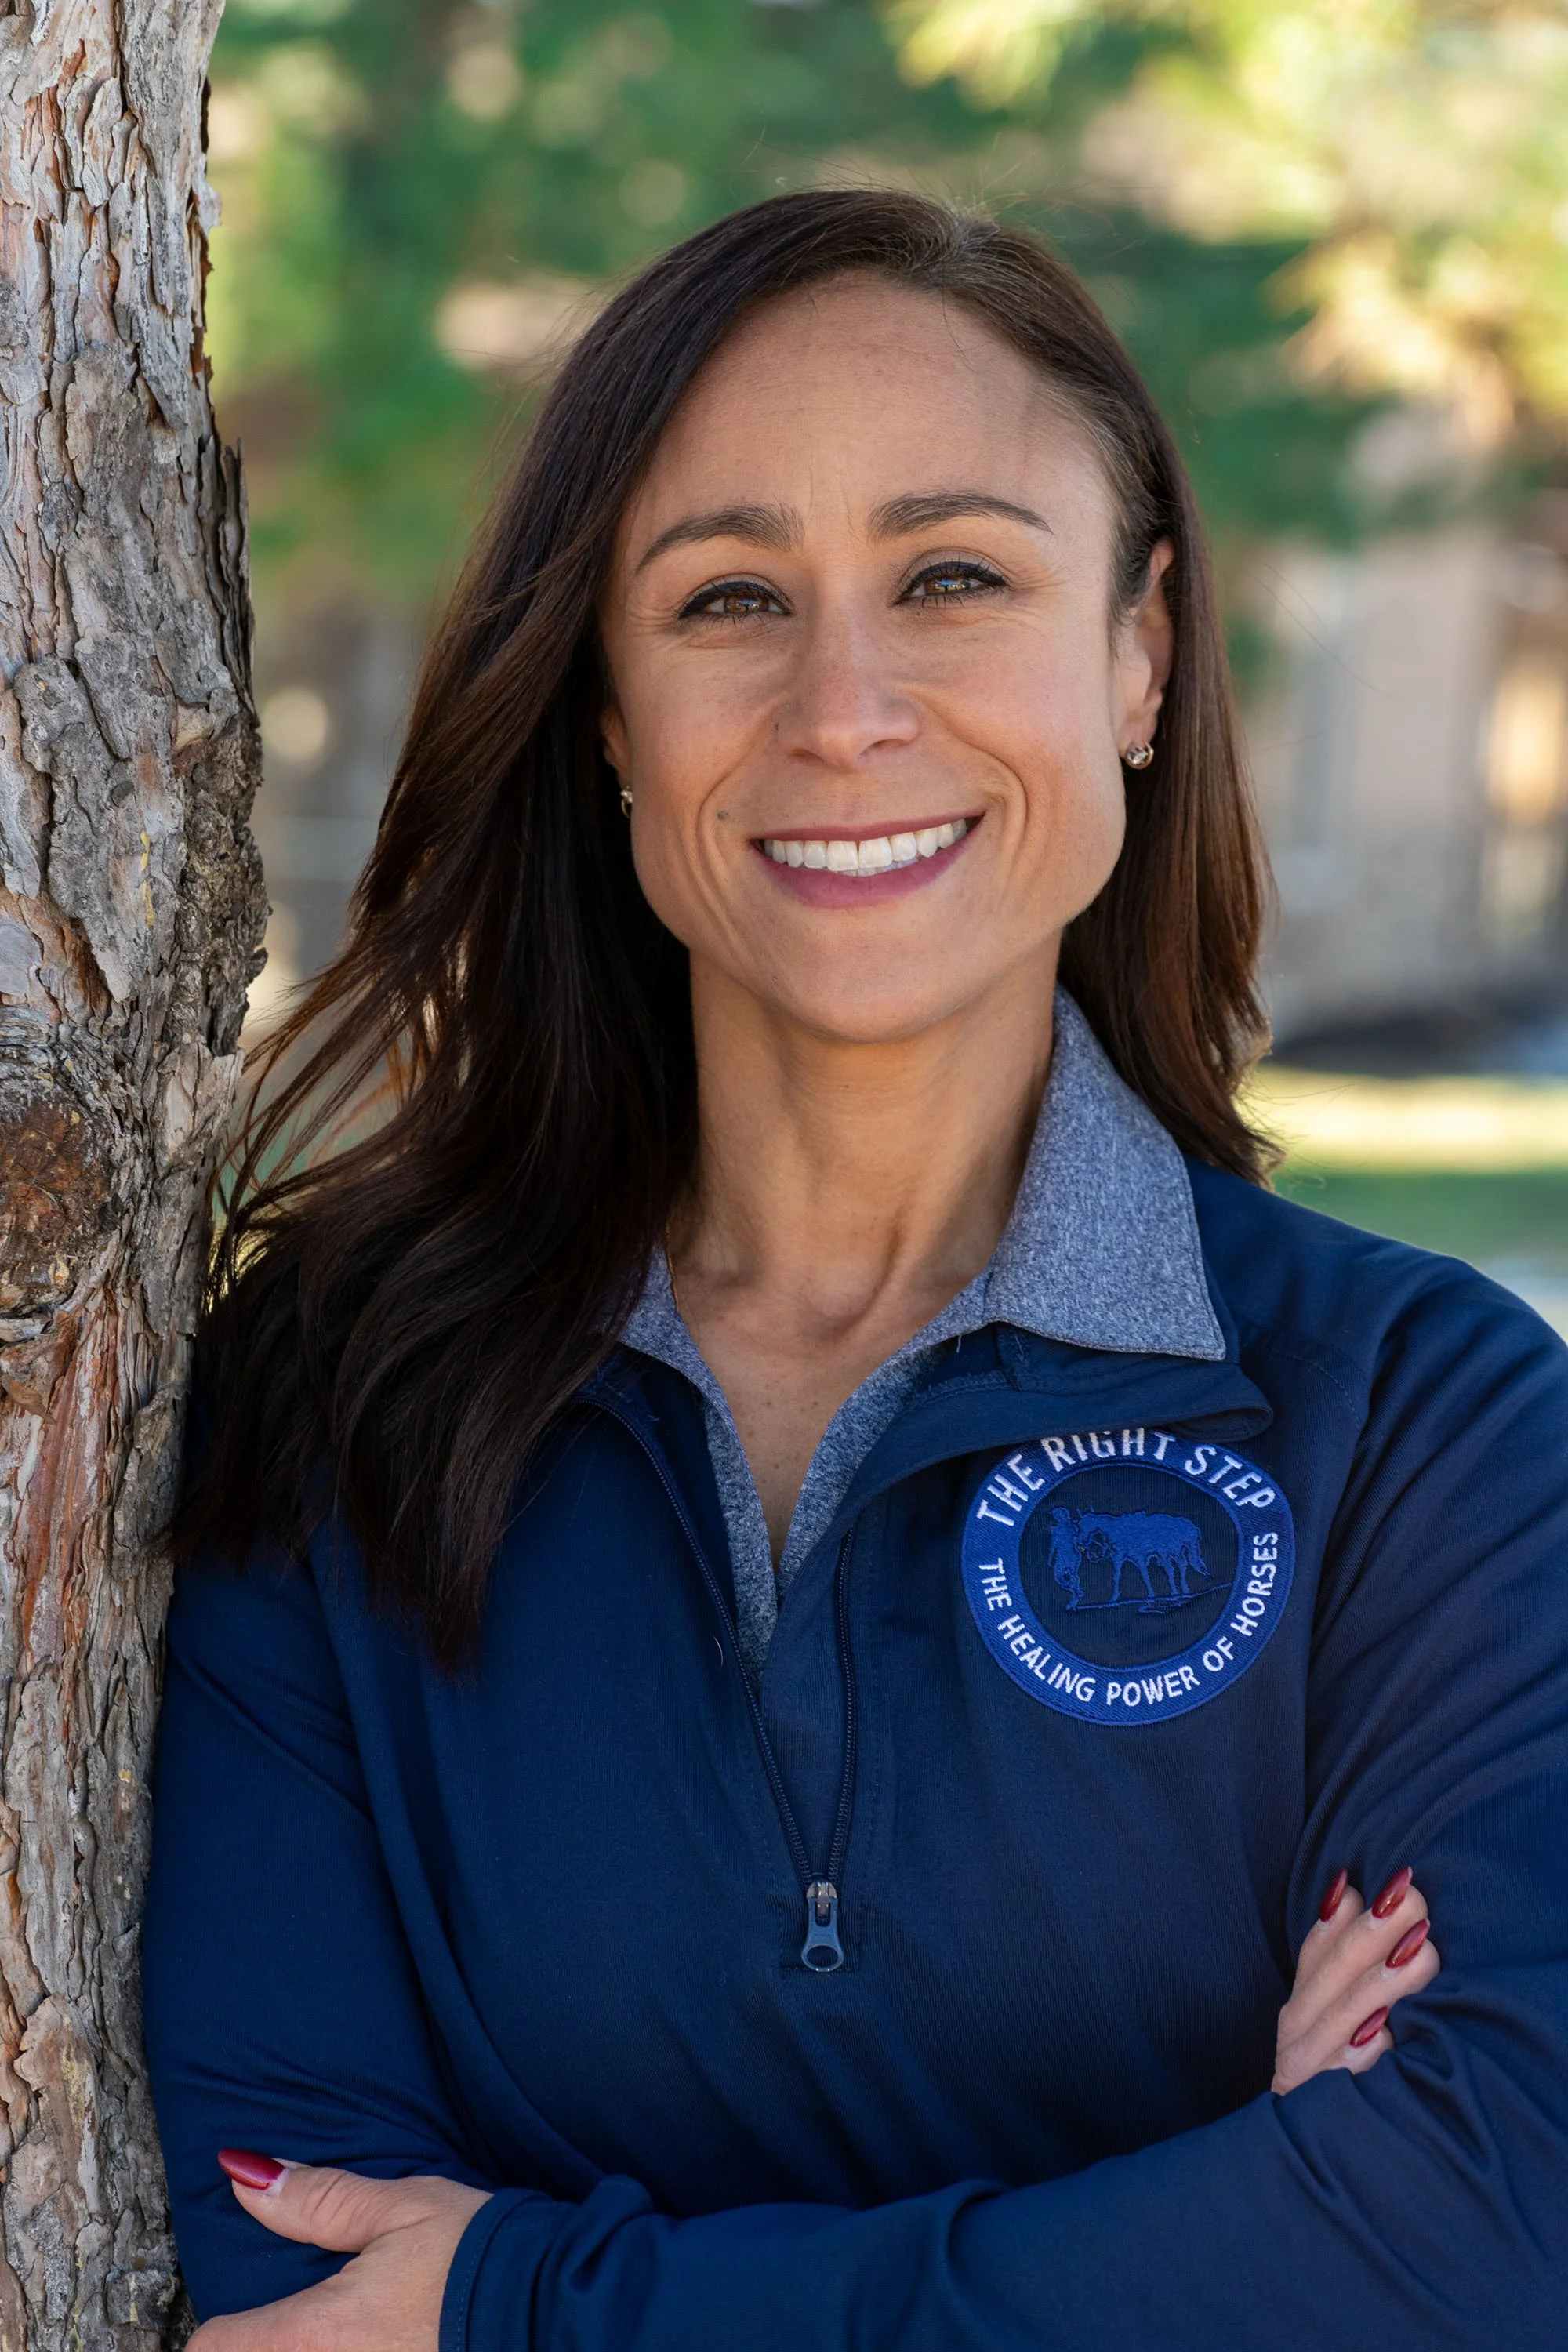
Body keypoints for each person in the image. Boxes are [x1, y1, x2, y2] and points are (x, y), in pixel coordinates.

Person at [143, 193, 1566, 2350]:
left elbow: (1478, 2236)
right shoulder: (333, 1403)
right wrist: (1215, 2222)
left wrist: (530, 2300)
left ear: (1142, 652)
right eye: (728, 598)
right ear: (610, 710)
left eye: (954, 577)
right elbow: (287, 2295)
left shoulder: (1426, 1428)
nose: (844, 704)